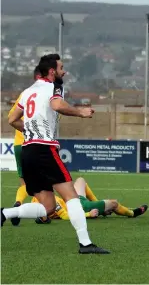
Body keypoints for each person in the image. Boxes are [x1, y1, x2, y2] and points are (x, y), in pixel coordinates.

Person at [2, 53, 109, 254]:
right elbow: (57, 105)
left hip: (28, 151)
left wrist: (30, 130)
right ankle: (85, 244)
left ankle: (5, 213)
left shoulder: (27, 91)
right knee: (71, 197)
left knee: (48, 207)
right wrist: (81, 112)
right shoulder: (54, 86)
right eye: (61, 68)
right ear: (52, 72)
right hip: (44, 149)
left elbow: (12, 119)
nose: (64, 71)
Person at [7, 66, 41, 226]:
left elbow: (11, 117)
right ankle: (41, 213)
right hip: (33, 144)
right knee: (40, 182)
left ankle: (18, 204)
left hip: (18, 144)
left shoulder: (25, 95)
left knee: (25, 183)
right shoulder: (46, 95)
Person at [34, 177, 148, 222]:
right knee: (114, 203)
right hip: (81, 207)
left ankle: (97, 203)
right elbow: (65, 216)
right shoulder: (51, 204)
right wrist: (88, 214)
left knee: (81, 181)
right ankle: (133, 213)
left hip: (74, 199)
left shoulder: (36, 199)